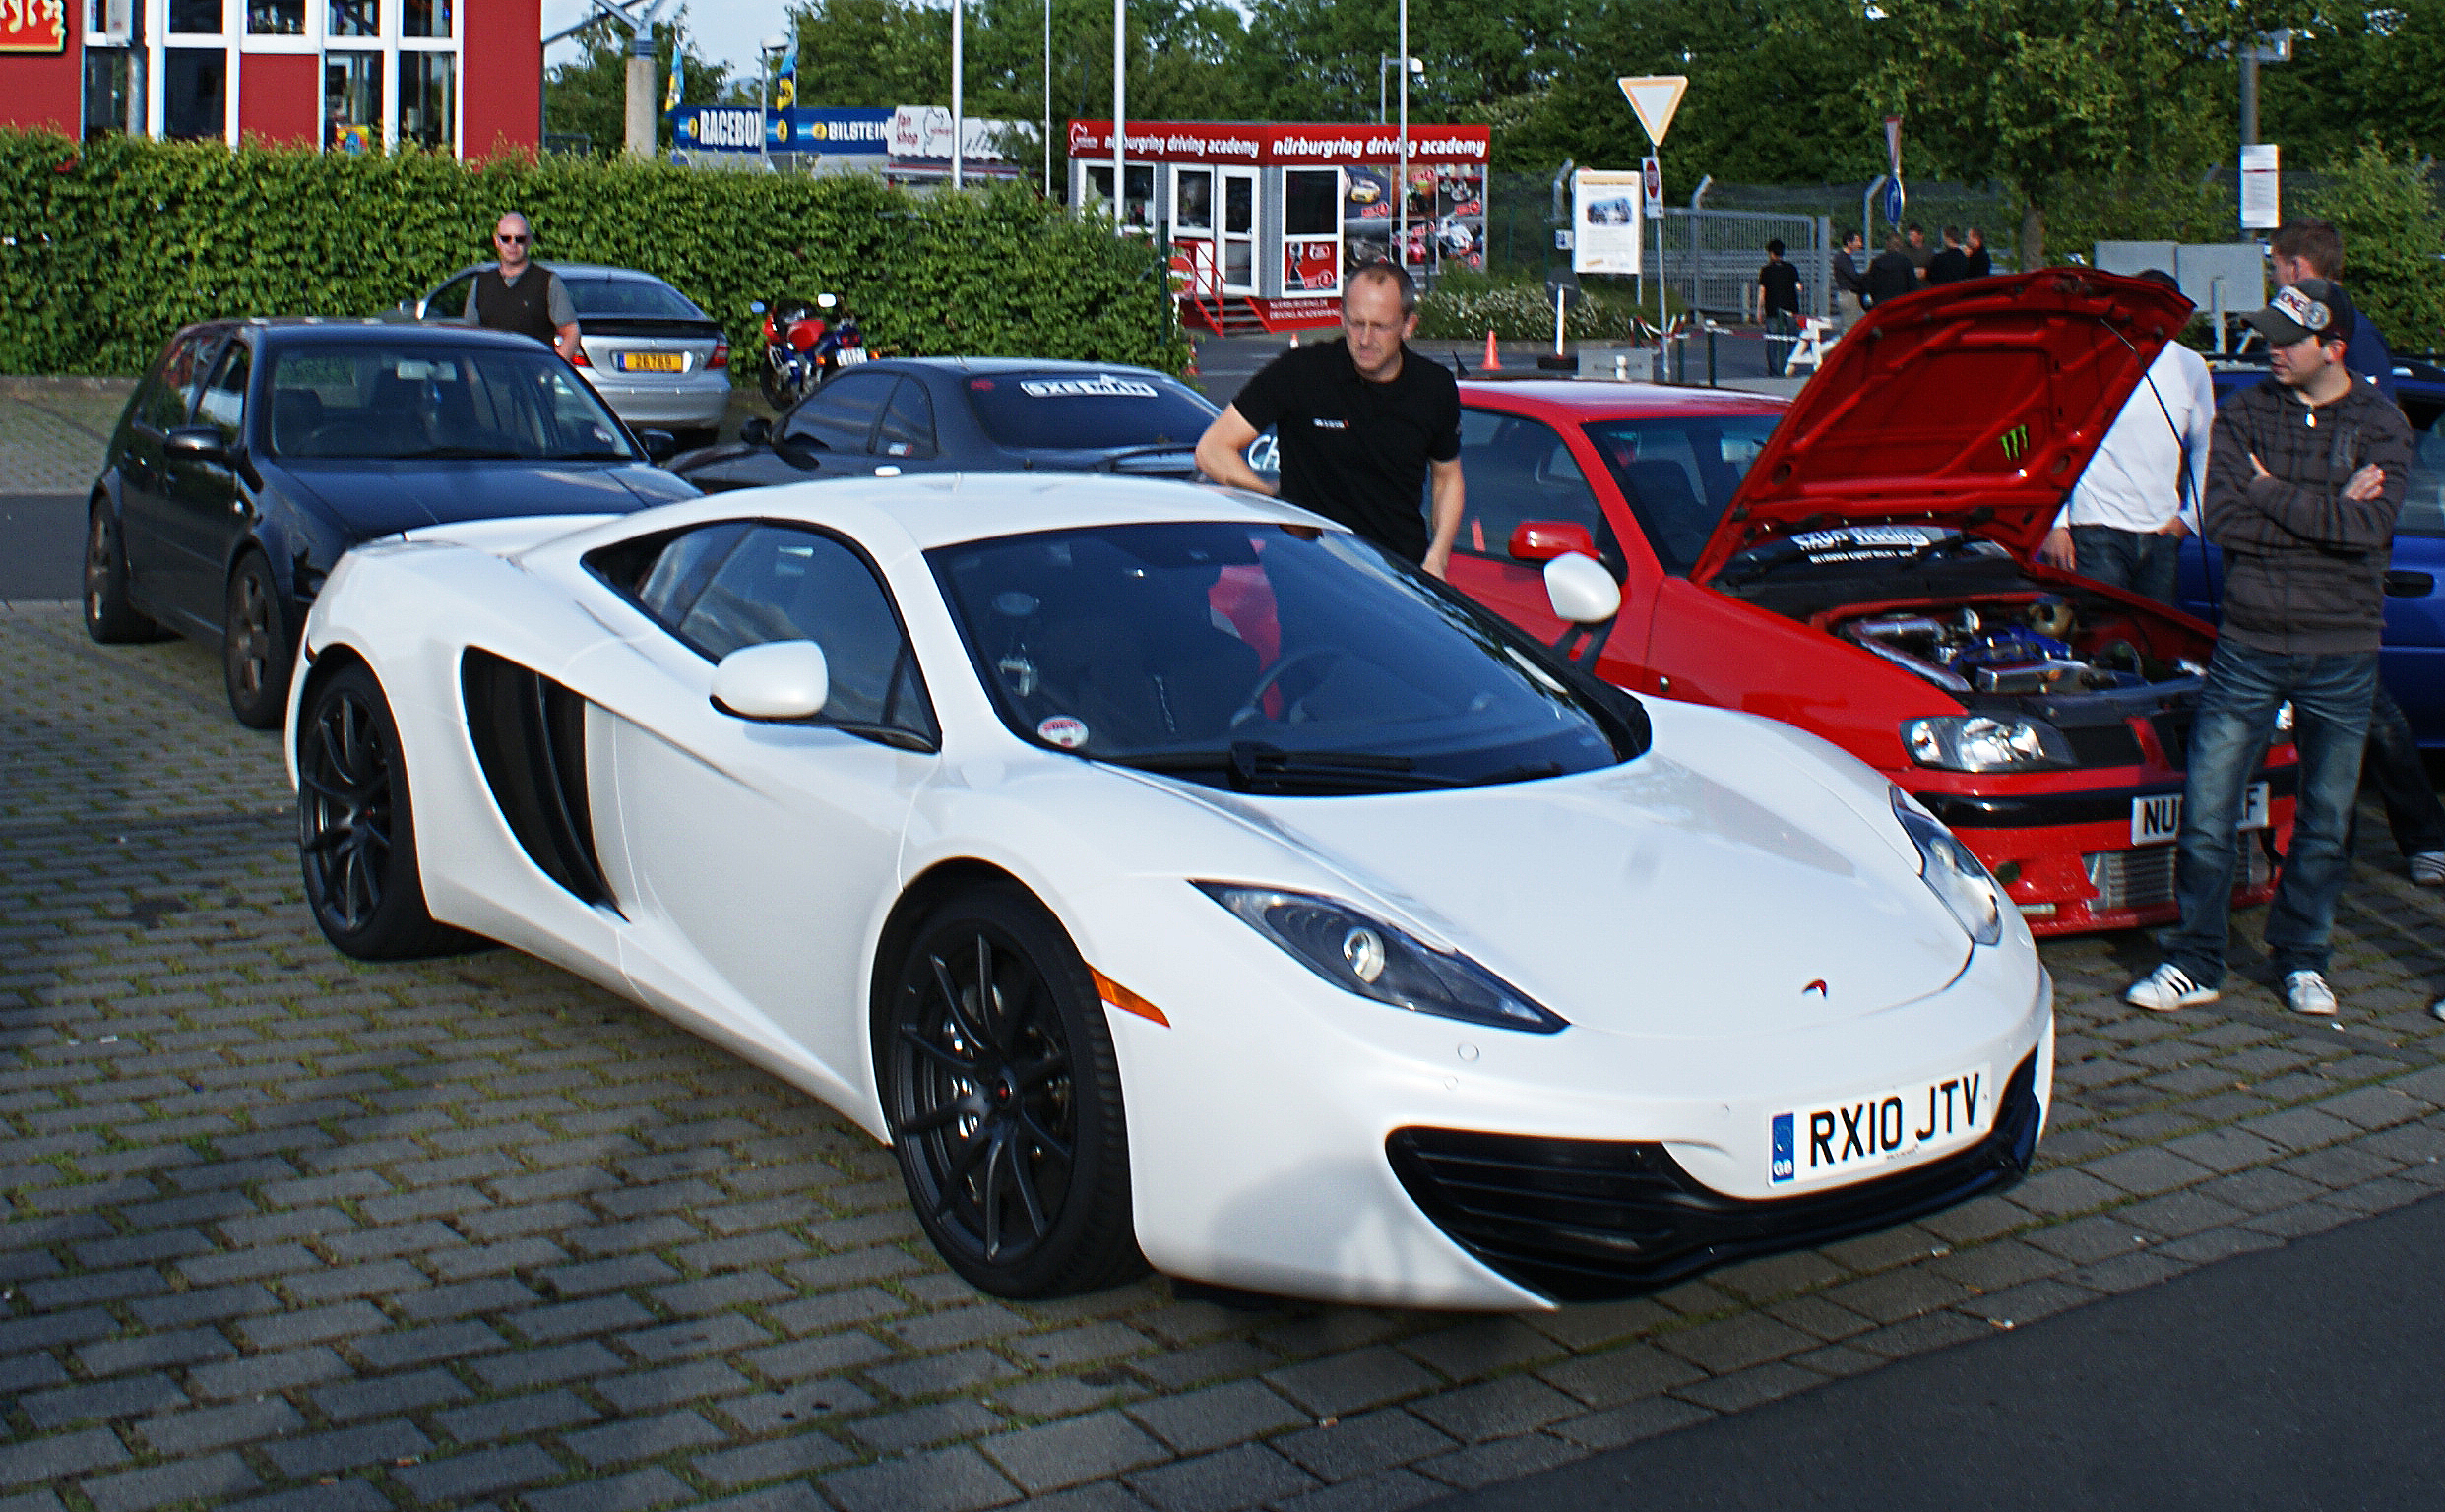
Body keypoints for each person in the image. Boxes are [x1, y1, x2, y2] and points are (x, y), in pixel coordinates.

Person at [2125, 278, 2412, 1019]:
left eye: (2287, 340)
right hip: (2249, 642)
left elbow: (2367, 534)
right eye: (2268, 335)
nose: (2270, 349)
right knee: (2210, 808)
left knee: (2324, 817)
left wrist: (2271, 493)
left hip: (2342, 652)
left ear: (2333, 348)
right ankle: (2196, 956)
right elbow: (2223, 521)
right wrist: (2323, 508)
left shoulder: (2382, 424)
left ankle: (2303, 958)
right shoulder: (2245, 411)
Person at [2264, 219, 2442, 883]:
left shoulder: (2351, 342)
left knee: (2355, 697)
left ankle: (2407, 834)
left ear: (2298, 268)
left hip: (2336, 555)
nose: (2275, 278)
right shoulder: (2337, 335)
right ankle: (2354, 837)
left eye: (2277, 266)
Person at [1195, 262, 1464, 578]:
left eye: (1379, 326)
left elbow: (1447, 478)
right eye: (1356, 323)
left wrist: (1438, 557)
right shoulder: (1301, 372)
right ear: (1342, 317)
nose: (1364, 339)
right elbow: (1212, 449)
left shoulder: (1434, 386)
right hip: (1311, 577)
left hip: (1398, 577)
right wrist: (1280, 508)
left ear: (1408, 325)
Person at [2037, 270, 2213, 603]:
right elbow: (2058, 440)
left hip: (2162, 533)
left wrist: (2189, 520)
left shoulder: (2192, 366)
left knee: (2153, 645)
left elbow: (2206, 447)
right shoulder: (2094, 357)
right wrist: (2057, 524)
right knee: (2102, 638)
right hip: (2096, 529)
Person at [468, 212, 580, 363]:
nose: (512, 244)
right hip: (490, 380)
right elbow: (470, 336)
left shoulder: (547, 282)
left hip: (532, 381)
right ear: (496, 241)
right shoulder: (481, 283)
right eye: (506, 238)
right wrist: (473, 375)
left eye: (519, 239)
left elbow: (571, 331)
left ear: (529, 241)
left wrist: (551, 370)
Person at [1751, 238, 1804, 367]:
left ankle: (1774, 368)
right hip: (1791, 308)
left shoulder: (1766, 271)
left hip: (1772, 309)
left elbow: (1762, 291)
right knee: (1793, 337)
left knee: (1773, 340)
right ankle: (1789, 363)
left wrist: (1759, 310)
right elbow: (1799, 287)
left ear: (1771, 253)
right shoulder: (1791, 269)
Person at [1864, 233, 1916, 307]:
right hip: (1901, 305)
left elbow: (1869, 286)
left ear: (1887, 244)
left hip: (1881, 305)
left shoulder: (1877, 263)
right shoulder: (1906, 263)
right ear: (1900, 245)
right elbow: (1913, 287)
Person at [1832, 230, 1867, 324]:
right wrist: (1868, 277)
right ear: (1849, 243)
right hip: (1848, 296)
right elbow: (1854, 277)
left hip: (1849, 295)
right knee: (1850, 327)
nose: (1860, 244)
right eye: (1857, 241)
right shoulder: (1842, 258)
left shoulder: (1844, 258)